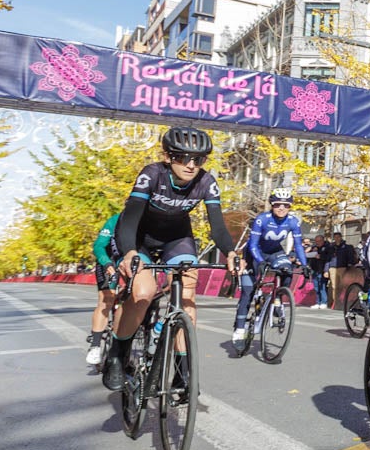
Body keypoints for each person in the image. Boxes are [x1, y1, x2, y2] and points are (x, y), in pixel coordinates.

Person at [102, 126, 236, 396]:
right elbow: (130, 217)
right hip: (139, 236)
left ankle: (182, 371)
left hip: (177, 238)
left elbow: (218, 227)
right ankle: (117, 355)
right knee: (143, 292)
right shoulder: (152, 174)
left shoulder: (207, 182)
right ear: (167, 157)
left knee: (187, 297)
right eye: (182, 157)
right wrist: (129, 252)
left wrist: (231, 252)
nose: (191, 165)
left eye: (198, 159)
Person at [231, 186, 307, 348]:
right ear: (272, 205)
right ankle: (239, 330)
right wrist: (259, 261)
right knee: (248, 291)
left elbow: (299, 245)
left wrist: (305, 264)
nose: (282, 208)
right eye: (278, 204)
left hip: (274, 252)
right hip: (254, 252)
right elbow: (252, 244)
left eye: (286, 205)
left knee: (287, 270)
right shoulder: (262, 219)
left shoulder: (293, 221)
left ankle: (278, 299)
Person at [85, 211, 121, 371]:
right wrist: (106, 263)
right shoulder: (115, 220)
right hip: (108, 260)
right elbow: (99, 245)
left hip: (129, 261)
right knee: (107, 299)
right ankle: (95, 345)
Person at [326, 232, 357, 305]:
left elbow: (350, 258)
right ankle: (335, 301)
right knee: (334, 286)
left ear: (341, 237)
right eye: (335, 237)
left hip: (343, 267)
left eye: (338, 237)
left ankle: (343, 300)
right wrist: (326, 270)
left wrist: (350, 267)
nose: (337, 239)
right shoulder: (331, 247)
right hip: (332, 268)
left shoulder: (347, 247)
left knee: (343, 285)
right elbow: (328, 259)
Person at [306, 233, 329, 308]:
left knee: (322, 286)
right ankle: (318, 302)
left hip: (322, 269)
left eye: (319, 241)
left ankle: (324, 302)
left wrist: (321, 256)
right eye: (316, 241)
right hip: (314, 269)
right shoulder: (314, 247)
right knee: (316, 287)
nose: (317, 243)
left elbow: (329, 257)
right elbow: (307, 254)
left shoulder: (327, 247)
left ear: (323, 240)